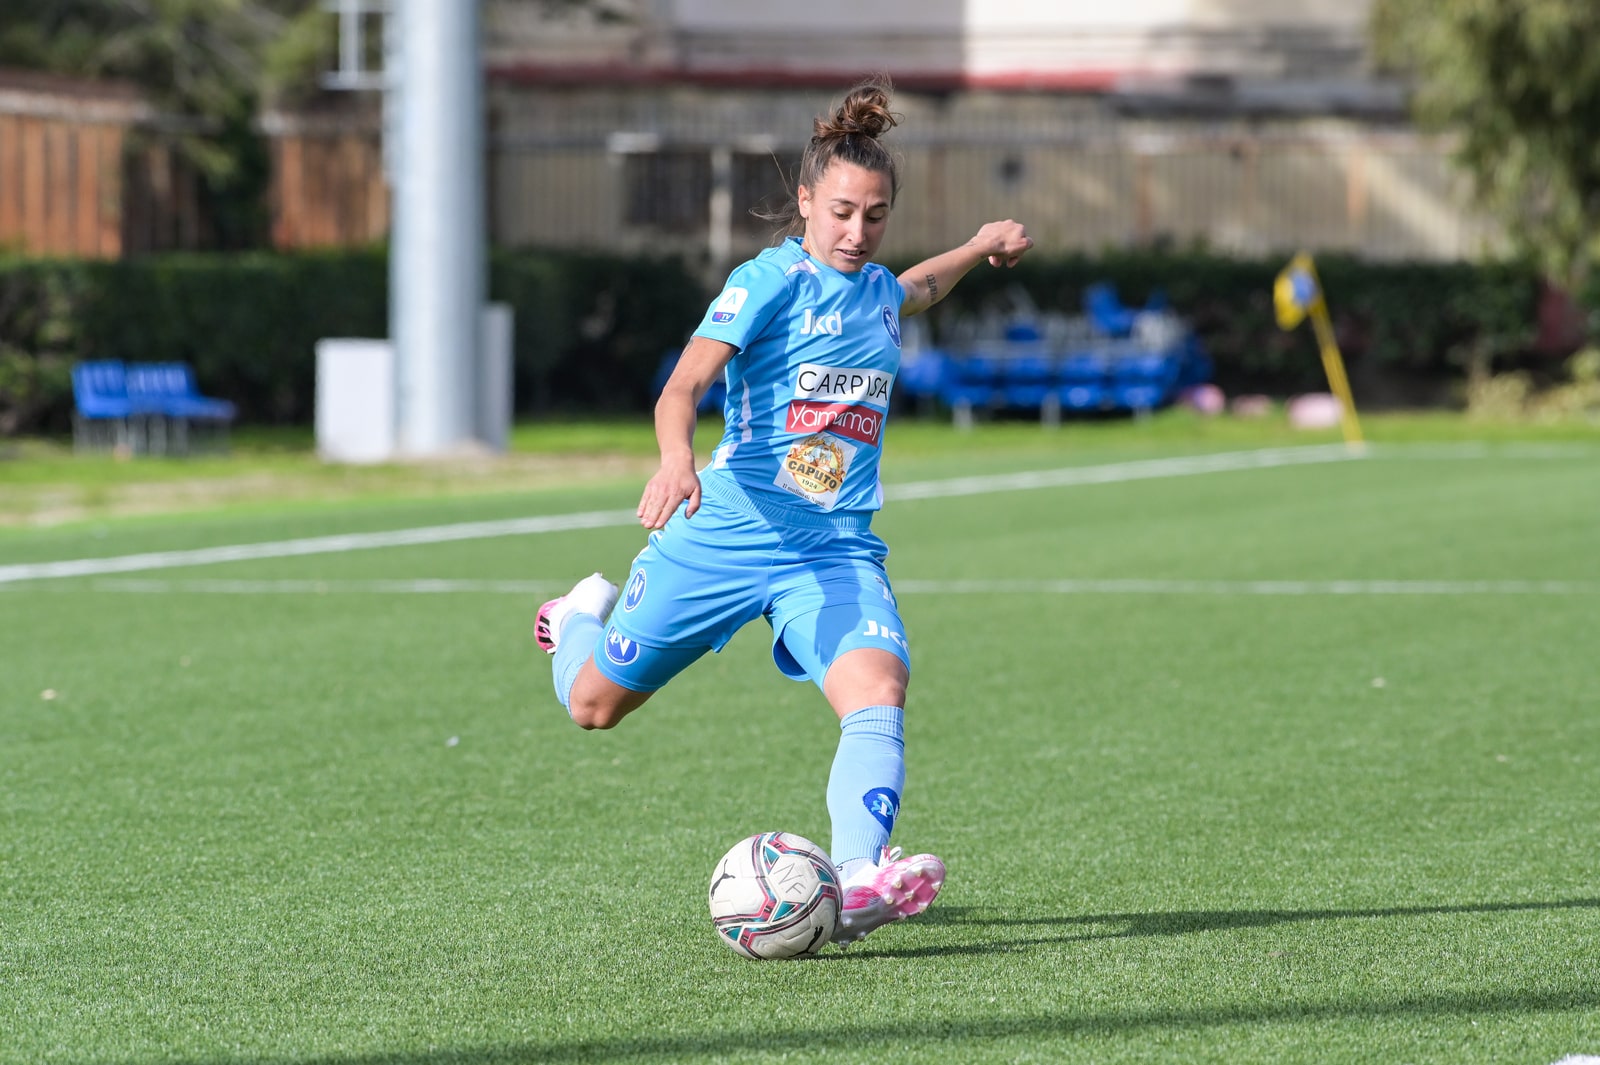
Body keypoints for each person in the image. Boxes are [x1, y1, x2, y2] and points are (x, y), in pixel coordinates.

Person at [536, 76, 1033, 947]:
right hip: (730, 528)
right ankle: (578, 613)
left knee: (878, 687)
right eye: (840, 212)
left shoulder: (877, 291)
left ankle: (862, 873)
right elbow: (682, 386)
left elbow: (917, 287)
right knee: (593, 705)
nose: (856, 232)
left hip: (834, 549)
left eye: (875, 215)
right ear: (805, 201)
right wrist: (676, 458)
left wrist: (978, 244)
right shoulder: (769, 280)